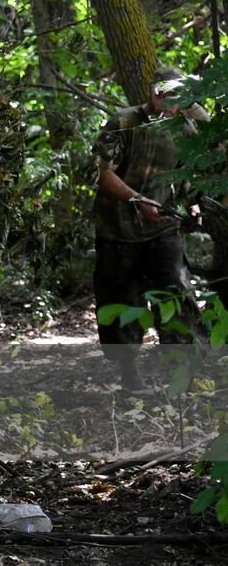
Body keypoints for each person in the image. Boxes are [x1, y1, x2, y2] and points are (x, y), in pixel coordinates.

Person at [93, 65, 201, 393]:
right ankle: (130, 374)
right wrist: (138, 200)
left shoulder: (184, 129)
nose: (171, 103)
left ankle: (182, 376)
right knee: (123, 303)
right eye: (165, 95)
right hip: (118, 231)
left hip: (163, 229)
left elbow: (186, 175)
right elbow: (101, 173)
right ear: (154, 94)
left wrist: (192, 206)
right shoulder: (124, 123)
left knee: (176, 295)